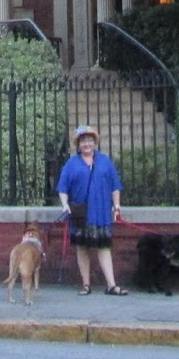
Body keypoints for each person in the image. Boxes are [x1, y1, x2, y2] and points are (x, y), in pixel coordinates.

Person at [57, 124, 128, 295]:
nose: (87, 144)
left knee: (103, 247)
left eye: (89, 140)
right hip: (80, 213)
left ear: (95, 142)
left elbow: (115, 186)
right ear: (78, 144)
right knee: (82, 248)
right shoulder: (71, 164)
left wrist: (117, 206)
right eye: (83, 141)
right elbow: (63, 188)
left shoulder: (105, 161)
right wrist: (65, 204)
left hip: (102, 212)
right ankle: (86, 284)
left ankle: (111, 285)